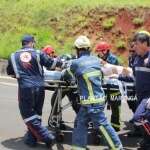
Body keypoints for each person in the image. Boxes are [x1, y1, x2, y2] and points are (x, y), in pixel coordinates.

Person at [64, 35, 123, 150]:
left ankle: (117, 147)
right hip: (93, 101)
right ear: (89, 49)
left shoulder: (76, 63)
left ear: (78, 50)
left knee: (103, 125)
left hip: (92, 102)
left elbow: (67, 74)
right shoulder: (97, 60)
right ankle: (78, 147)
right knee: (80, 123)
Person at [6, 35, 63, 148]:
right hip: (40, 87)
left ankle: (47, 137)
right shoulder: (38, 53)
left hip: (25, 88)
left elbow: (11, 72)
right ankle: (32, 139)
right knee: (36, 114)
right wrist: (62, 62)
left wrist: (22, 75)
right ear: (31, 43)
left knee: (27, 114)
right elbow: (51, 64)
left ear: (23, 43)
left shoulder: (13, 56)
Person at [128, 31, 150, 149]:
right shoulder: (137, 59)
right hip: (140, 96)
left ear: (145, 43)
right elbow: (133, 76)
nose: (134, 46)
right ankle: (146, 142)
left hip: (148, 97)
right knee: (144, 120)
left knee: (138, 118)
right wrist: (118, 76)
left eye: (136, 44)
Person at [95, 41, 121, 131]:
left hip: (113, 86)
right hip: (102, 86)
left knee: (115, 106)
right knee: (100, 106)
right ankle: (98, 125)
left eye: (99, 51)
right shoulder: (97, 58)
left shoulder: (113, 59)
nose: (98, 53)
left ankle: (115, 126)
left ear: (105, 51)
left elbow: (114, 71)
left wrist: (104, 64)